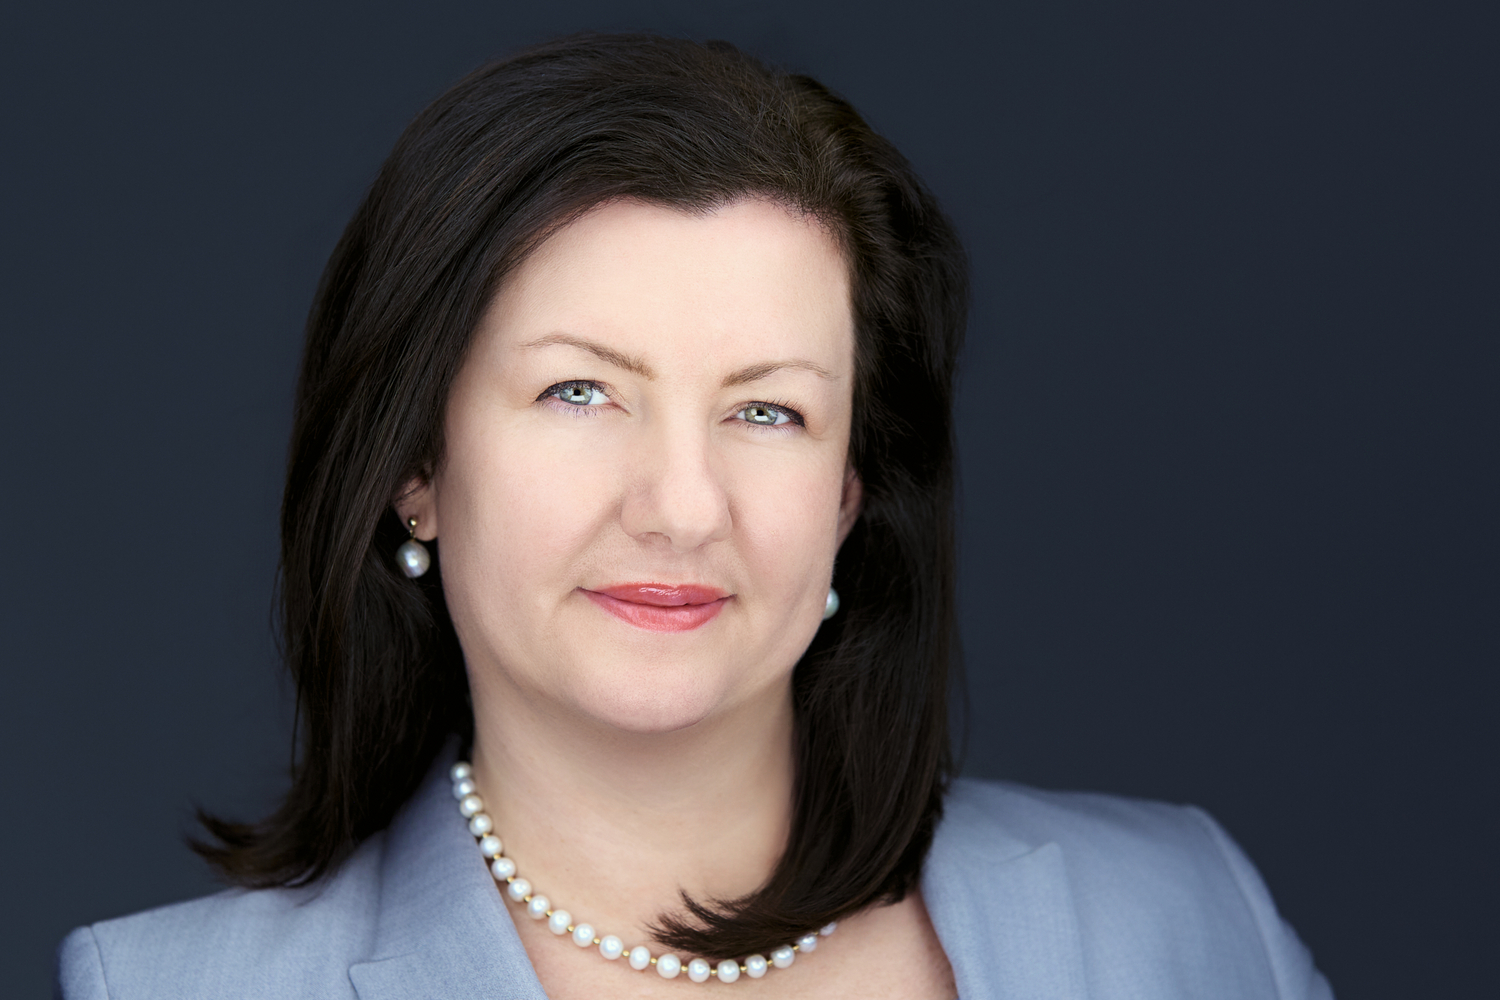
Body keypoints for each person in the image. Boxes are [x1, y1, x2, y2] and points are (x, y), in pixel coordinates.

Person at [56, 33, 1332, 1000]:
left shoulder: (1182, 918)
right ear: (416, 470)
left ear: (851, 491)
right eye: (579, 392)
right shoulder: (163, 988)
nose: (680, 506)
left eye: (767, 410)